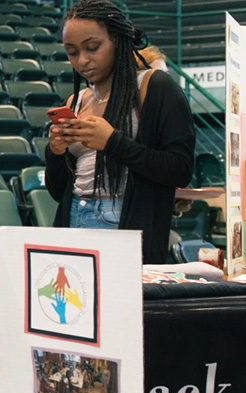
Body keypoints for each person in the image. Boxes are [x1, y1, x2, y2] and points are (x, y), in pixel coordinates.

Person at [45, 0, 195, 264]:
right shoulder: (76, 101)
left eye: (92, 47)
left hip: (125, 222)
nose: (82, 60)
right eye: (71, 52)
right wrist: (55, 152)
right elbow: (59, 192)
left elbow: (180, 169)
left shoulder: (154, 86)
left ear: (116, 38)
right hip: (73, 219)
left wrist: (113, 142)